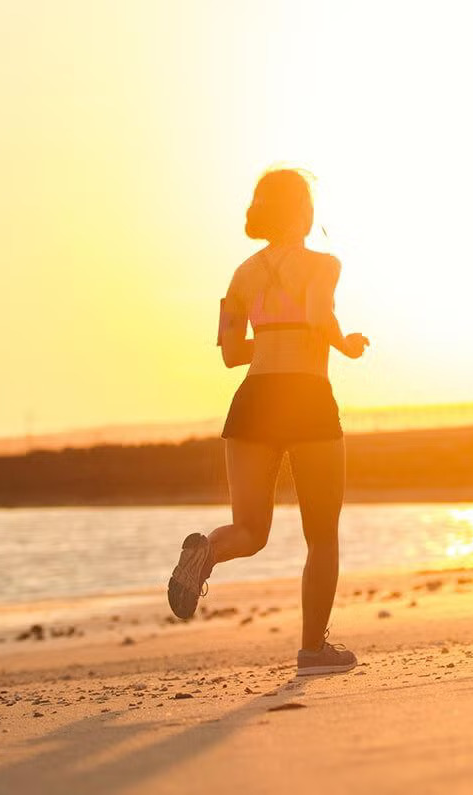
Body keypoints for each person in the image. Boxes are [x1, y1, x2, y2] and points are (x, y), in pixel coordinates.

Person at [166, 168, 370, 676]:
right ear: (303, 211)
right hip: (305, 397)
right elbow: (320, 313)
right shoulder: (325, 265)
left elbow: (233, 353)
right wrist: (344, 344)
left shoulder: (240, 275)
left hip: (254, 398)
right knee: (321, 534)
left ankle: (207, 551)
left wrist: (275, 339)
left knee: (250, 530)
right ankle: (312, 650)